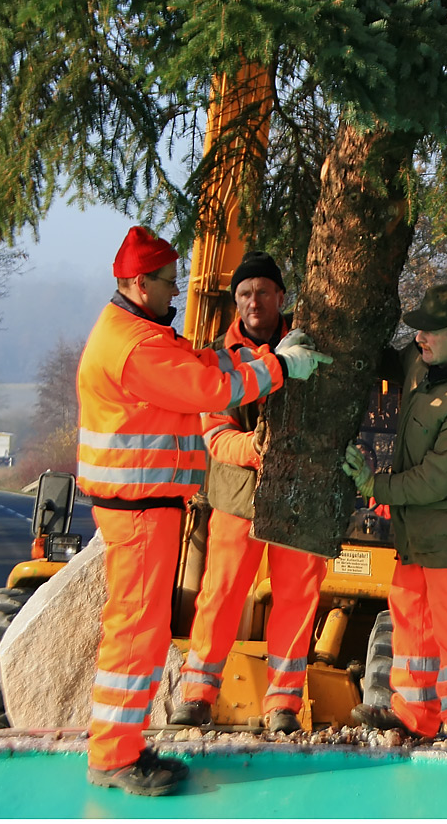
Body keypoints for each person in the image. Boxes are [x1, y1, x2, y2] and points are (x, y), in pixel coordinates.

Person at [77, 227, 332, 796]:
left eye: (263, 291)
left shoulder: (142, 336)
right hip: (149, 508)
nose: (176, 292)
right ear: (139, 283)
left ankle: (124, 744)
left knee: (142, 628)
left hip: (151, 506)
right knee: (140, 629)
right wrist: (280, 370)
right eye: (169, 282)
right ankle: (119, 751)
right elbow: (211, 393)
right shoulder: (139, 345)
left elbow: (198, 378)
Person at [342, 283, 447, 756]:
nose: (419, 337)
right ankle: (415, 712)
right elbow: (392, 363)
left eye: (430, 331)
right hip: (415, 523)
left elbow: (434, 481)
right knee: (409, 613)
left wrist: (374, 486)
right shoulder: (426, 358)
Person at [170, 251, 329, 735]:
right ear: (235, 302)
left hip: (302, 496)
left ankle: (282, 704)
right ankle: (197, 695)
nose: (253, 301)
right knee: (220, 594)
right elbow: (216, 437)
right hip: (238, 497)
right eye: (244, 294)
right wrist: (257, 449)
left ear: (281, 297)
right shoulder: (218, 359)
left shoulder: (310, 346)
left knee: (298, 597)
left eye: (262, 292)